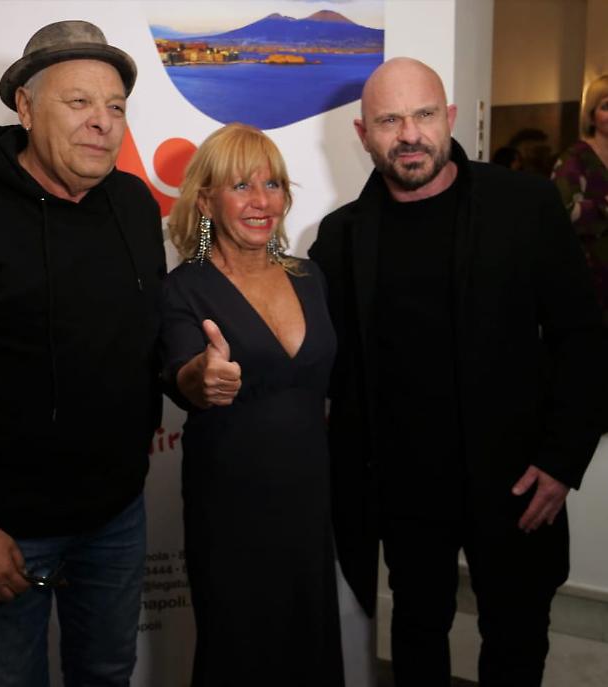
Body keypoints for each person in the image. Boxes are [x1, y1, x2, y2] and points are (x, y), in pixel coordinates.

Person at [309, 57, 606, 687]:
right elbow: (324, 365)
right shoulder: (339, 238)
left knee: (516, 641)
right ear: (364, 134)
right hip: (405, 489)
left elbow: (582, 338)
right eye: (389, 121)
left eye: (422, 115)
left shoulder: (524, 205)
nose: (408, 135)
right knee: (416, 637)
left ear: (447, 118)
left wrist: (561, 461)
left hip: (518, 481)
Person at [0, 20, 164, 687]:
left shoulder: (134, 203)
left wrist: (189, 371)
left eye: (115, 106)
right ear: (25, 108)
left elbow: (146, 335)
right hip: (2, 529)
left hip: (116, 516)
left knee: (107, 672)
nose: (102, 122)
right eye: (79, 102)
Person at [161, 123, 344, 687]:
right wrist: (204, 378)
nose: (262, 201)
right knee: (240, 651)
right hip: (231, 507)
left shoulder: (309, 276)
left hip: (309, 499)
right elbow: (184, 373)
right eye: (241, 185)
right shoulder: (183, 287)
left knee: (308, 644)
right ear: (206, 200)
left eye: (273, 184)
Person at [552, 73, 608, 326]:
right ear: (592, 115)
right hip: (590, 276)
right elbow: (560, 212)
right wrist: (603, 207)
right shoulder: (576, 158)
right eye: (606, 106)